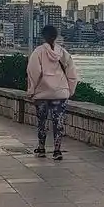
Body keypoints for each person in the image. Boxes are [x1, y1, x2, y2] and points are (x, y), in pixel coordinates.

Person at [26, 26, 78, 161]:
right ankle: (57, 150)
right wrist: (70, 90)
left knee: (42, 122)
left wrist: (31, 91)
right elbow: (72, 74)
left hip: (42, 94)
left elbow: (33, 73)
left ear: (43, 36)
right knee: (58, 122)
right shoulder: (63, 53)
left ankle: (41, 148)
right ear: (56, 36)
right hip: (60, 93)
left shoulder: (38, 52)